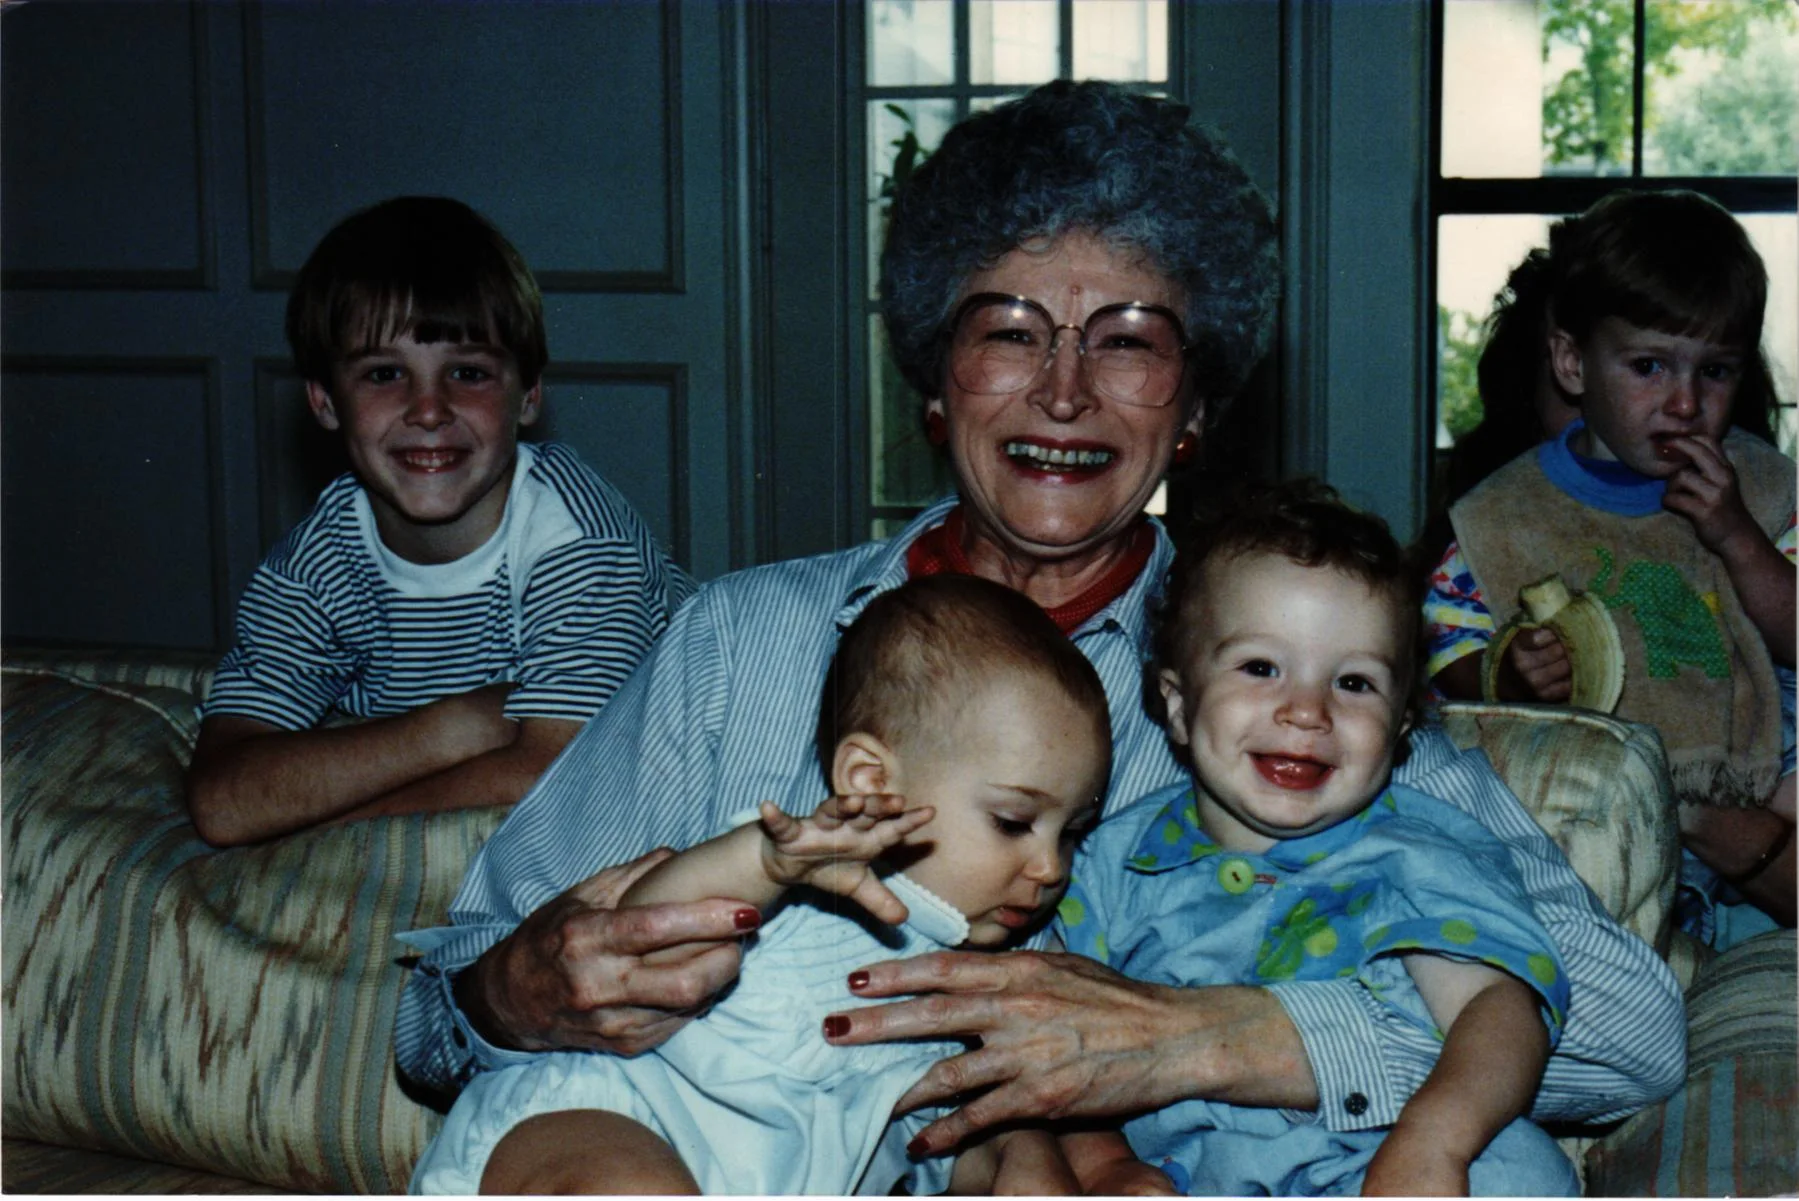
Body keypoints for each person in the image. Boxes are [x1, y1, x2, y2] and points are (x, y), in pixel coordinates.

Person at [394, 82, 1683, 1189]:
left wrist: (1215, 1037)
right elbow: (433, 1010)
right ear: (932, 374)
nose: (1062, 392)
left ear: (1194, 406)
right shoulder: (740, 639)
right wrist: (516, 990)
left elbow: (1626, 1028)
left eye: (1128, 343)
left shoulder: (1289, 689)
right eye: (1008, 332)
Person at [409, 574, 1168, 1194]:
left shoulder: (997, 965)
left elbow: (938, 1131)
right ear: (869, 780)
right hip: (612, 1118)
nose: (1050, 867)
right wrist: (765, 863)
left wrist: (1022, 1162)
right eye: (1012, 821)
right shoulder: (799, 870)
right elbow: (635, 934)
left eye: (1072, 831)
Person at [1058, 479, 1577, 1196]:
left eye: (1354, 683)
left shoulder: (1414, 854)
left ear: (1400, 728)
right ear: (1176, 704)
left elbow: (1497, 1011)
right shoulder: (1109, 866)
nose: (1306, 710)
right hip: (1192, 1177)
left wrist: (1435, 1141)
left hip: (1381, 1161)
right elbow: (1055, 1039)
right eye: (1260, 668)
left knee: (1518, 1169)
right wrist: (1102, 1163)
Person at [187, 196, 690, 847]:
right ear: (324, 401)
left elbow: (563, 776)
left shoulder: (578, 541)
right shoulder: (321, 561)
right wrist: (455, 727)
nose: (428, 409)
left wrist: (315, 823)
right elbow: (224, 803)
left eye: (468, 372)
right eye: (384, 373)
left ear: (529, 395)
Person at [1429, 189, 1796, 945]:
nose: (1685, 403)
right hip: (1588, 812)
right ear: (1571, 362)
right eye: (1649, 366)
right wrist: (1507, 674)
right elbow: (1446, 647)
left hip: (1757, 782)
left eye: (1715, 371)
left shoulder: (1762, 490)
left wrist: (1736, 536)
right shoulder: (1507, 514)